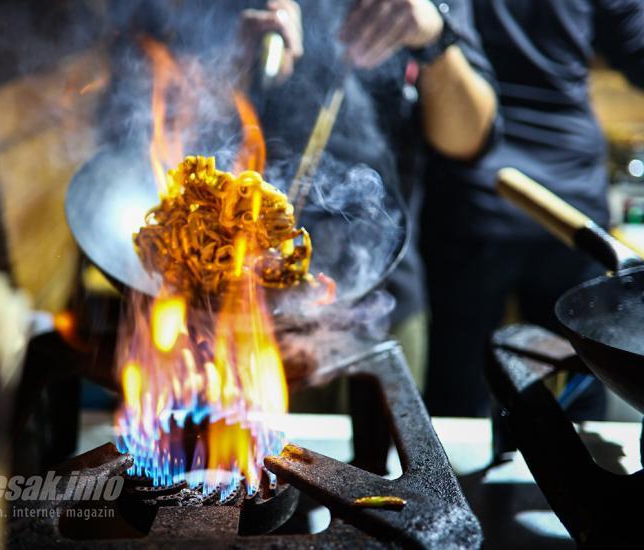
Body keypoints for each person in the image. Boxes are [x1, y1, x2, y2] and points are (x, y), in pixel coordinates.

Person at [100, 0, 498, 397]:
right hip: (196, 308)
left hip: (370, 302)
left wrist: (432, 39)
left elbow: (470, 139)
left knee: (363, 458)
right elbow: (129, 111)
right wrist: (215, 66)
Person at [422, 0, 644, 418]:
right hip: (557, 195)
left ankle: (454, 483)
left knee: (465, 391)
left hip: (476, 193)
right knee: (582, 370)